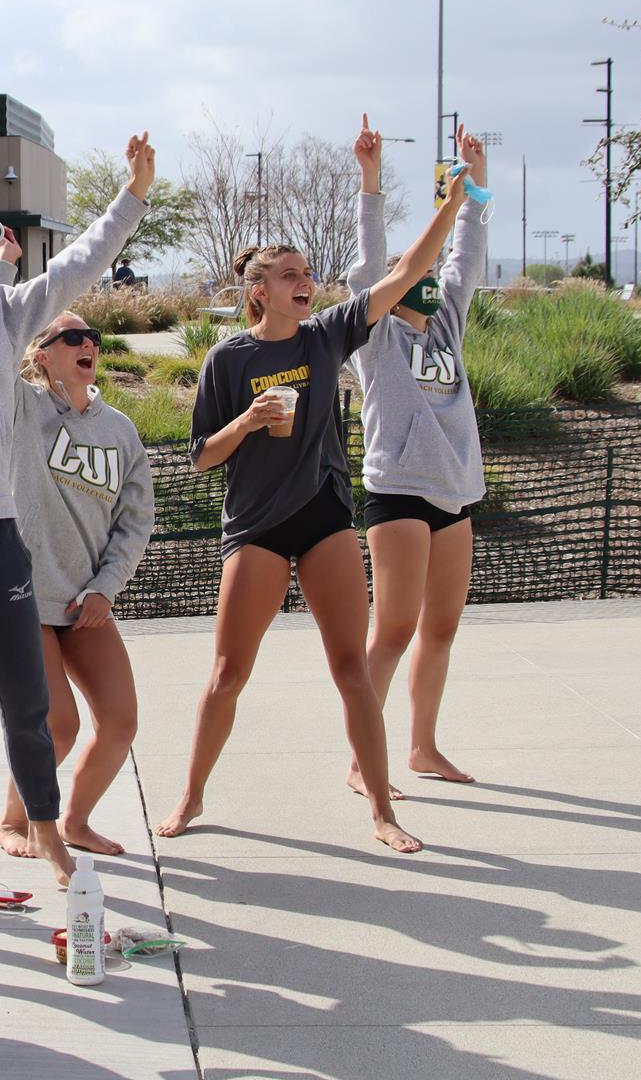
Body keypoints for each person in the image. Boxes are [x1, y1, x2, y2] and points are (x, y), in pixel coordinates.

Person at [155, 131, 472, 854]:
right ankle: (191, 794)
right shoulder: (228, 357)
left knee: (351, 667)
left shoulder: (326, 337)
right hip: (257, 527)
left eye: (307, 272)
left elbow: (407, 273)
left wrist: (451, 205)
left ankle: (383, 808)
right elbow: (202, 456)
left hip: (325, 518)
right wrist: (248, 418)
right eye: (289, 273)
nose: (305, 280)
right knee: (229, 673)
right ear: (258, 290)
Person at [0, 130, 155, 884]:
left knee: (31, 700)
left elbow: (80, 262)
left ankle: (45, 831)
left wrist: (134, 195)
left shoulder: (8, 314)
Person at [346, 118, 491, 794]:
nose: (427, 281)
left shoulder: (447, 326)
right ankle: (361, 759)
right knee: (394, 627)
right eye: (415, 274)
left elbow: (466, 263)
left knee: (441, 628)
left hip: (454, 493)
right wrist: (371, 182)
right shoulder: (375, 339)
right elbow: (374, 263)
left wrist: (476, 184)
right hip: (399, 488)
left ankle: (422, 747)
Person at [0, 312, 154, 858]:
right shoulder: (20, 407)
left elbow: (136, 522)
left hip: (86, 599)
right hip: (24, 597)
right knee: (57, 724)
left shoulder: (120, 430)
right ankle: (13, 821)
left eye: (94, 338)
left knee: (120, 721)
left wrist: (108, 586)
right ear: (41, 354)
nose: (89, 344)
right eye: (71, 337)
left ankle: (74, 821)